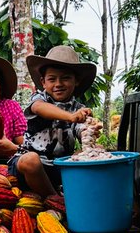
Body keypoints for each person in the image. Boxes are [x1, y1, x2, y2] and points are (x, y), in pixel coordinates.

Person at [10, 45, 100, 196]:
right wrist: (70, 117)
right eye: (52, 79)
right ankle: (55, 200)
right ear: (43, 82)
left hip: (59, 167)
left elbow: (82, 131)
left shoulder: (79, 108)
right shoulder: (39, 99)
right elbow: (39, 108)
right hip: (29, 167)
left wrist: (90, 131)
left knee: (93, 153)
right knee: (30, 160)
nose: (58, 84)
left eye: (65, 78)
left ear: (76, 81)